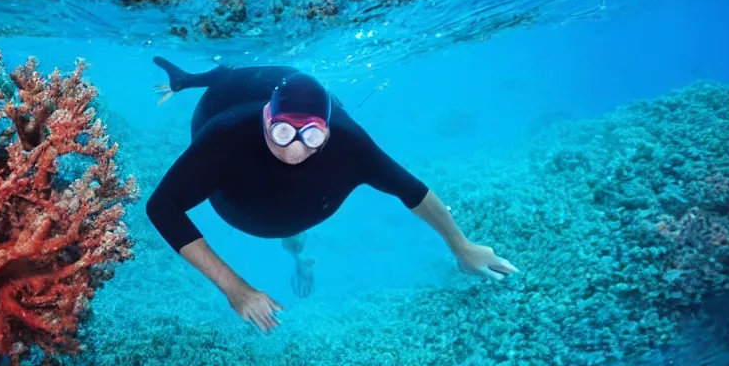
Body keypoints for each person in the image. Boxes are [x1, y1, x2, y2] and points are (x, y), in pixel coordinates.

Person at [146, 59, 517, 333]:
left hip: (301, 208)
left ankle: (297, 250)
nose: (294, 149)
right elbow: (162, 207)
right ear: (265, 119)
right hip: (241, 204)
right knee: (286, 218)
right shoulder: (224, 137)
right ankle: (294, 245)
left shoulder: (349, 141)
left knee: (292, 229)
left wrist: (462, 246)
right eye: (281, 134)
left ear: (326, 129)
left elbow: (413, 191)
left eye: (310, 136)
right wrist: (235, 288)